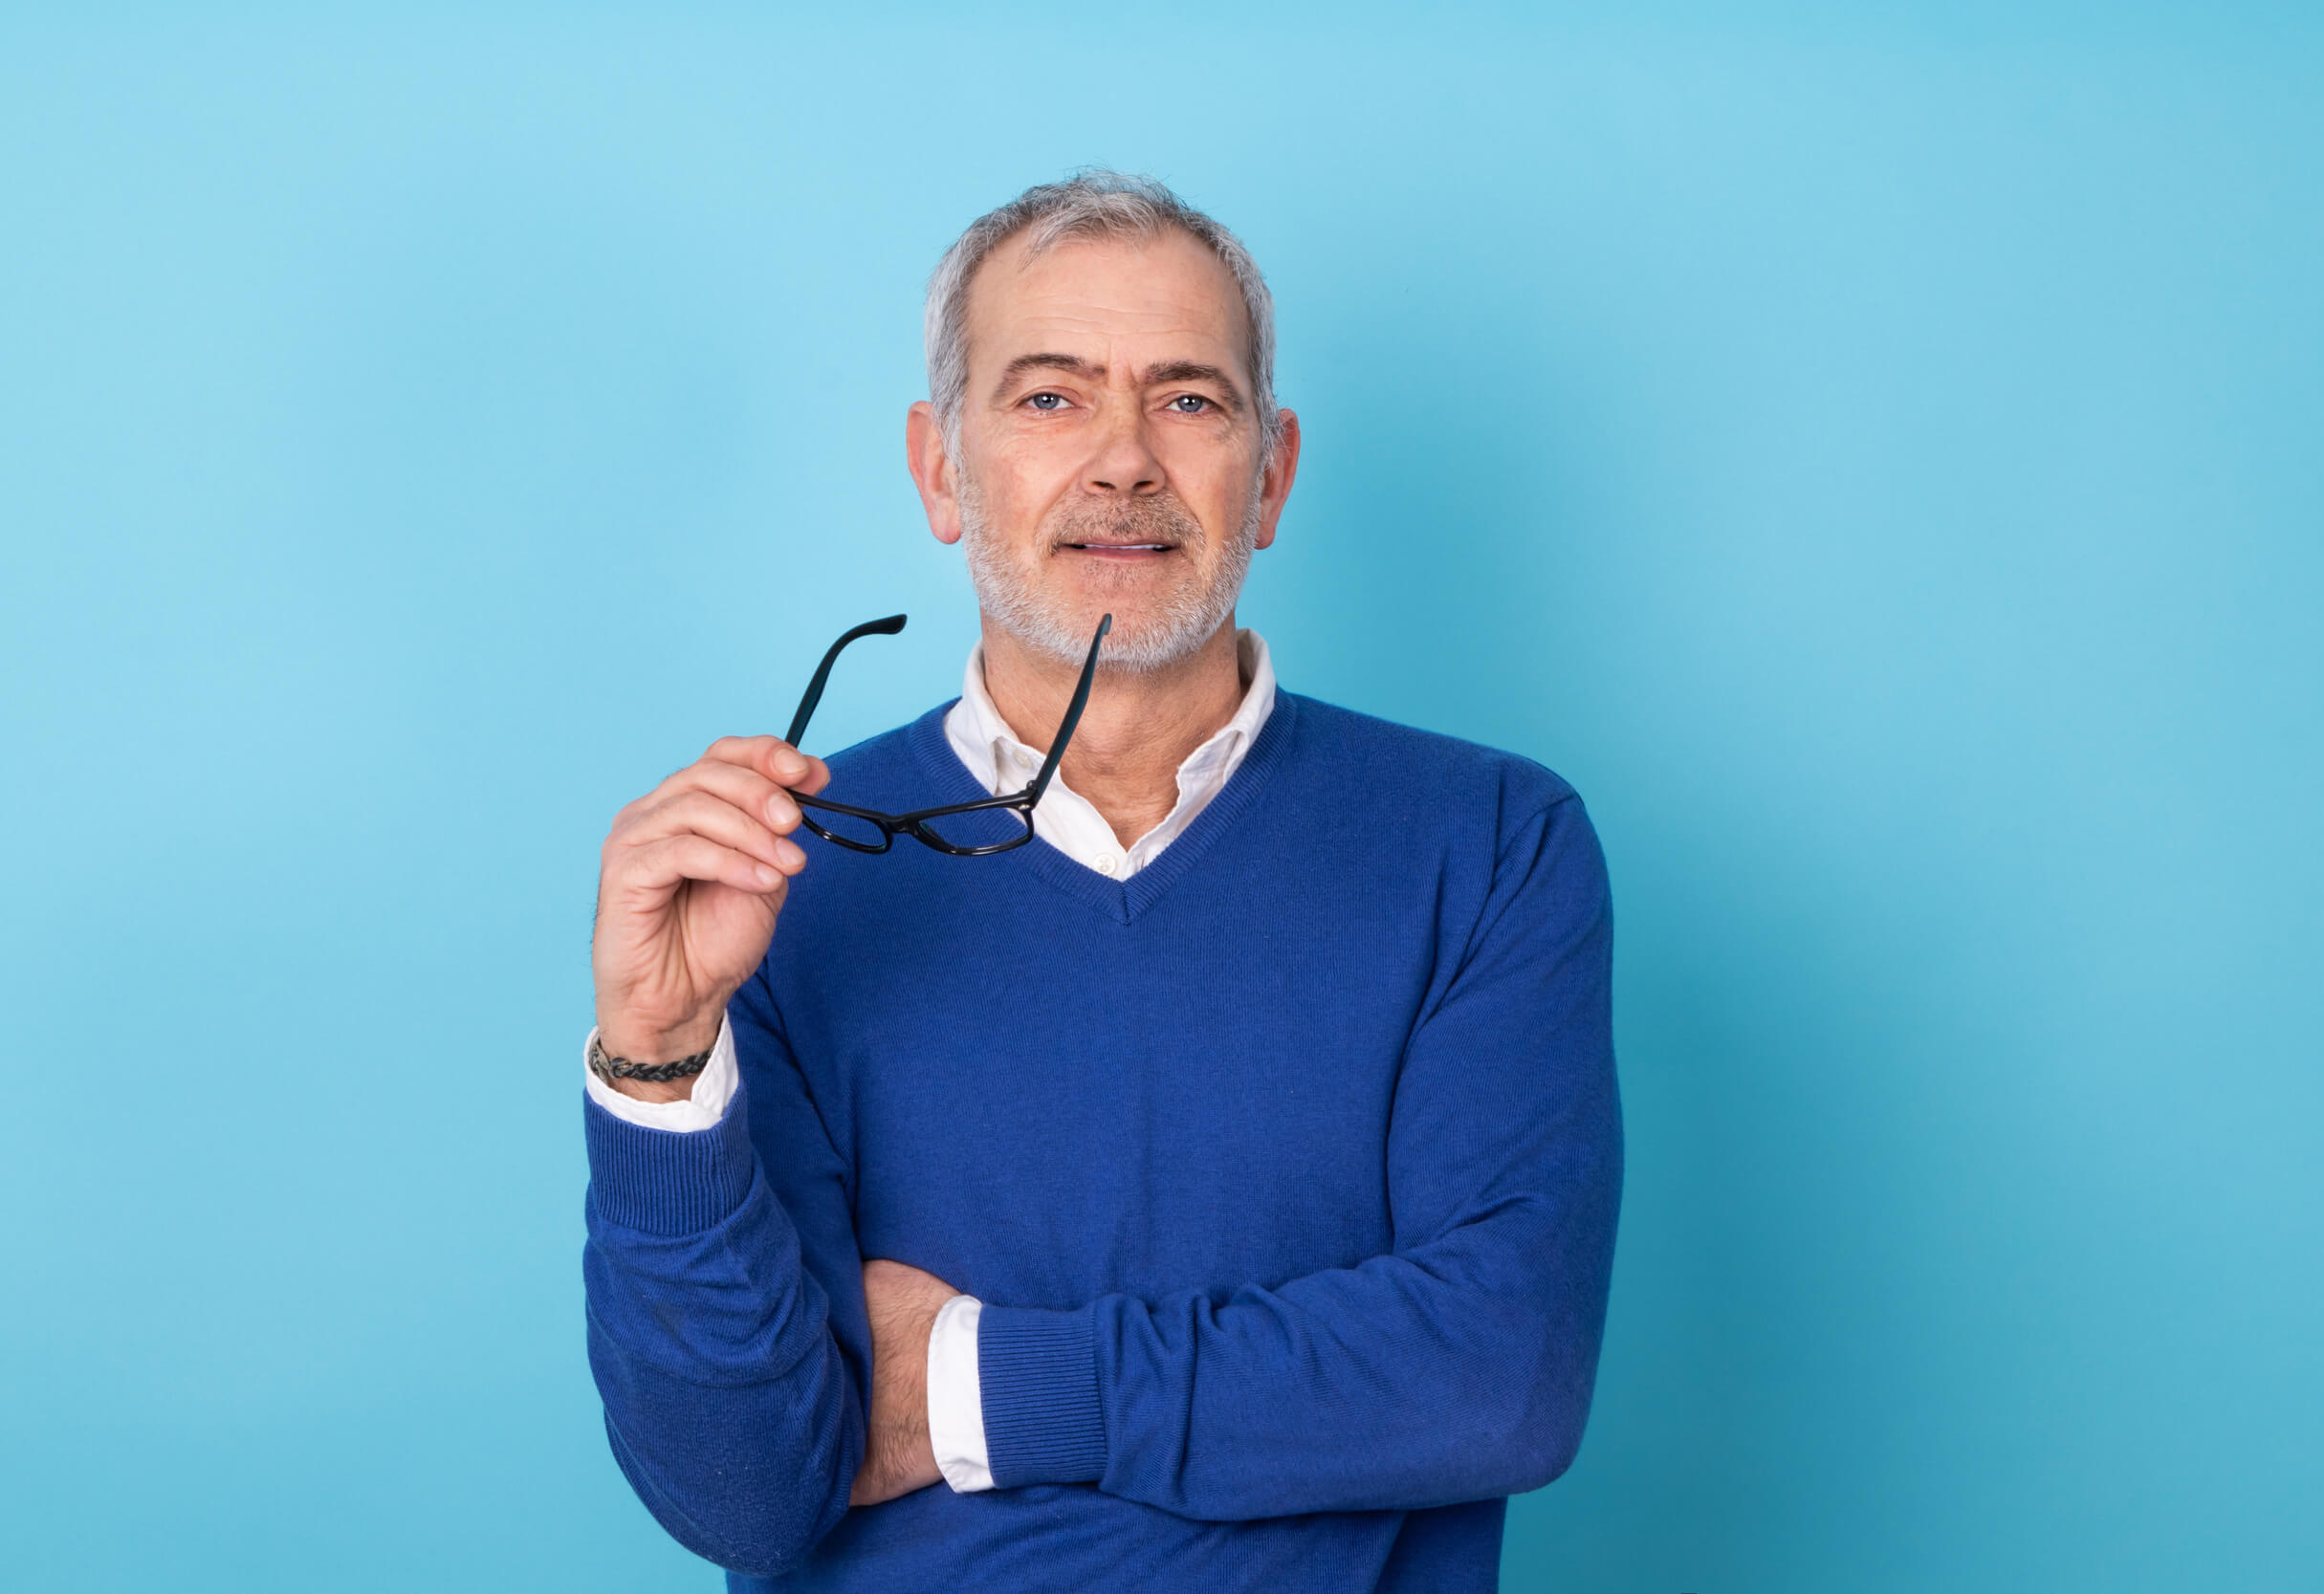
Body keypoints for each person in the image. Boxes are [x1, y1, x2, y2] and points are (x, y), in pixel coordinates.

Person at [581, 170, 1623, 1592]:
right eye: (1050, 397)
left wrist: (963, 1382)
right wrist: (657, 1064)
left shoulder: (1490, 843)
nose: (1124, 461)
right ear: (942, 470)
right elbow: (746, 1498)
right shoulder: (774, 881)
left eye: (1188, 399)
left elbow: (1498, 1380)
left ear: (1272, 474)